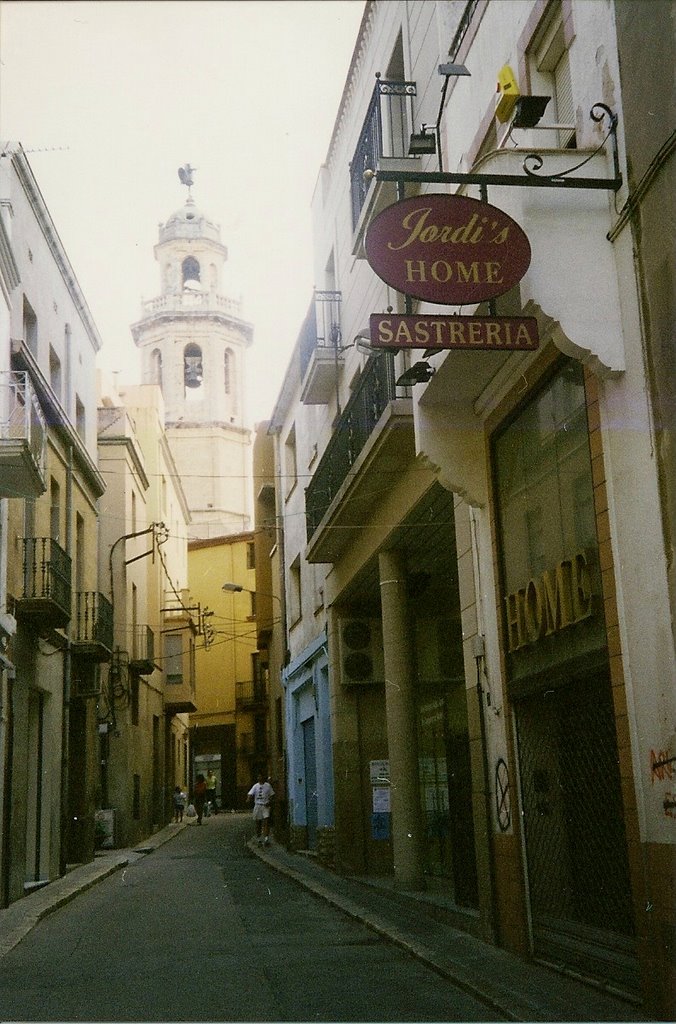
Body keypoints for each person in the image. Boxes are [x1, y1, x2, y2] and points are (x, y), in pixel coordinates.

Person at [247, 772, 274, 846]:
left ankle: (266, 838)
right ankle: (259, 838)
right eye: (258, 776)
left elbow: (272, 795)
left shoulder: (268, 786)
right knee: (258, 823)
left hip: (265, 806)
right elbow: (250, 793)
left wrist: (269, 802)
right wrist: (248, 798)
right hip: (258, 805)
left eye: (260, 776)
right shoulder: (255, 786)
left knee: (266, 821)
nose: (259, 778)